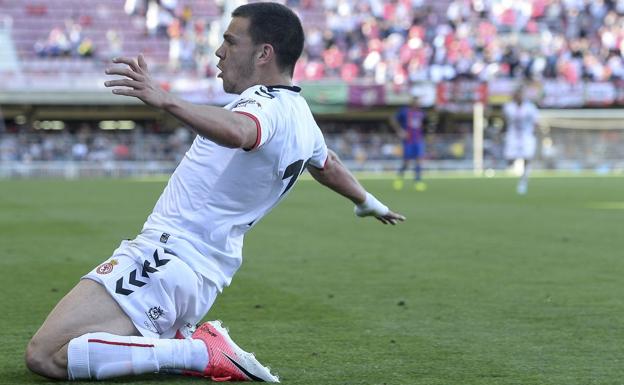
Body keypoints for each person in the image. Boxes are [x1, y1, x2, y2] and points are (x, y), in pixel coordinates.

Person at [25, 2, 405, 383]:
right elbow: (329, 165)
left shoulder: (265, 105)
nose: (219, 51)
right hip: (199, 273)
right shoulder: (302, 116)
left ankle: (200, 350)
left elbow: (243, 131)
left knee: (45, 356)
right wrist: (368, 203)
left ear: (263, 53)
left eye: (230, 41)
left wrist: (165, 98)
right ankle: (179, 341)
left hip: (165, 258)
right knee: (74, 352)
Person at [502, 87, 538, 194]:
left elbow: (536, 122)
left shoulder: (530, 107)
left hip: (526, 135)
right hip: (513, 136)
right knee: (510, 158)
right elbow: (505, 120)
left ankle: (523, 181)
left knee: (527, 158)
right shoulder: (508, 107)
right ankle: (513, 170)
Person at [389, 95, 428, 191]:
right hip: (408, 140)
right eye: (417, 102)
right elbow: (393, 119)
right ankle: (399, 178)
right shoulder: (405, 111)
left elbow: (424, 125)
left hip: (418, 140)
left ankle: (418, 181)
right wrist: (400, 131)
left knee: (419, 160)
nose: (419, 104)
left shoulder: (422, 113)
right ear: (413, 103)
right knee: (407, 161)